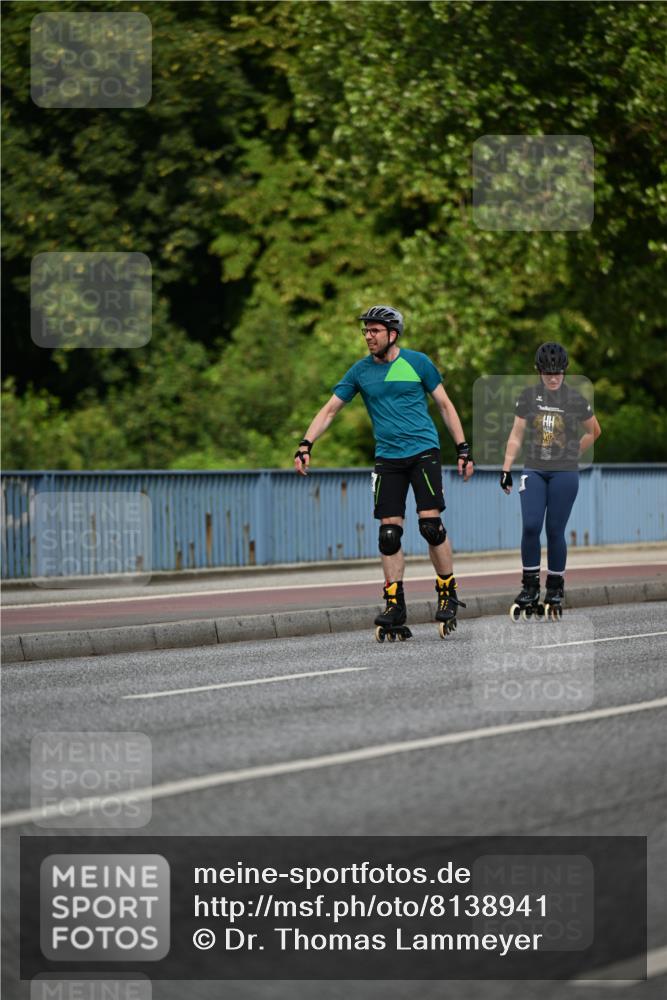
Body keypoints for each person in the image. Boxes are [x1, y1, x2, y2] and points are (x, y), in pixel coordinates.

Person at [293, 304, 474, 635]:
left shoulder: (418, 363)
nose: (368, 336)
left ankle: (447, 593)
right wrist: (306, 443)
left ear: (392, 334)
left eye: (374, 331)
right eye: (365, 331)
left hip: (423, 452)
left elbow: (445, 406)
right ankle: (395, 606)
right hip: (388, 458)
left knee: (430, 526)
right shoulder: (360, 371)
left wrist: (463, 448)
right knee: (388, 534)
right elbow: (331, 410)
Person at [500, 341, 602, 618]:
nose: (553, 378)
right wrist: (506, 468)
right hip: (534, 469)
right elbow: (516, 435)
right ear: (538, 371)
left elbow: (594, 431)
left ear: (565, 371)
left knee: (555, 530)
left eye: (558, 372)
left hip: (564, 472)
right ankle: (530, 587)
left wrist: (574, 452)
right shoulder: (528, 397)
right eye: (548, 373)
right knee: (531, 526)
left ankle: (555, 588)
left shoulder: (576, 400)